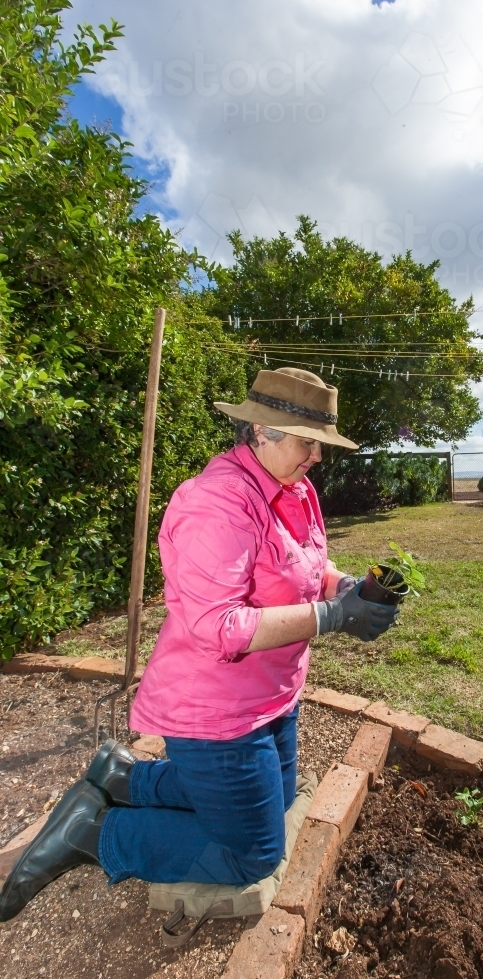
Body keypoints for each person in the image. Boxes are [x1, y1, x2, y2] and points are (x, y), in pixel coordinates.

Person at [0, 366, 398, 921]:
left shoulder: (294, 488)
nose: (317, 456)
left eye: (321, 443)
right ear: (262, 432)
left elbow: (308, 565)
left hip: (271, 695)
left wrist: (344, 587)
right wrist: (332, 616)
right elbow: (220, 626)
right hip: (216, 708)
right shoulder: (216, 504)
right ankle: (94, 831)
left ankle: (122, 776)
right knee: (254, 852)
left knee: (277, 804)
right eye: (309, 442)